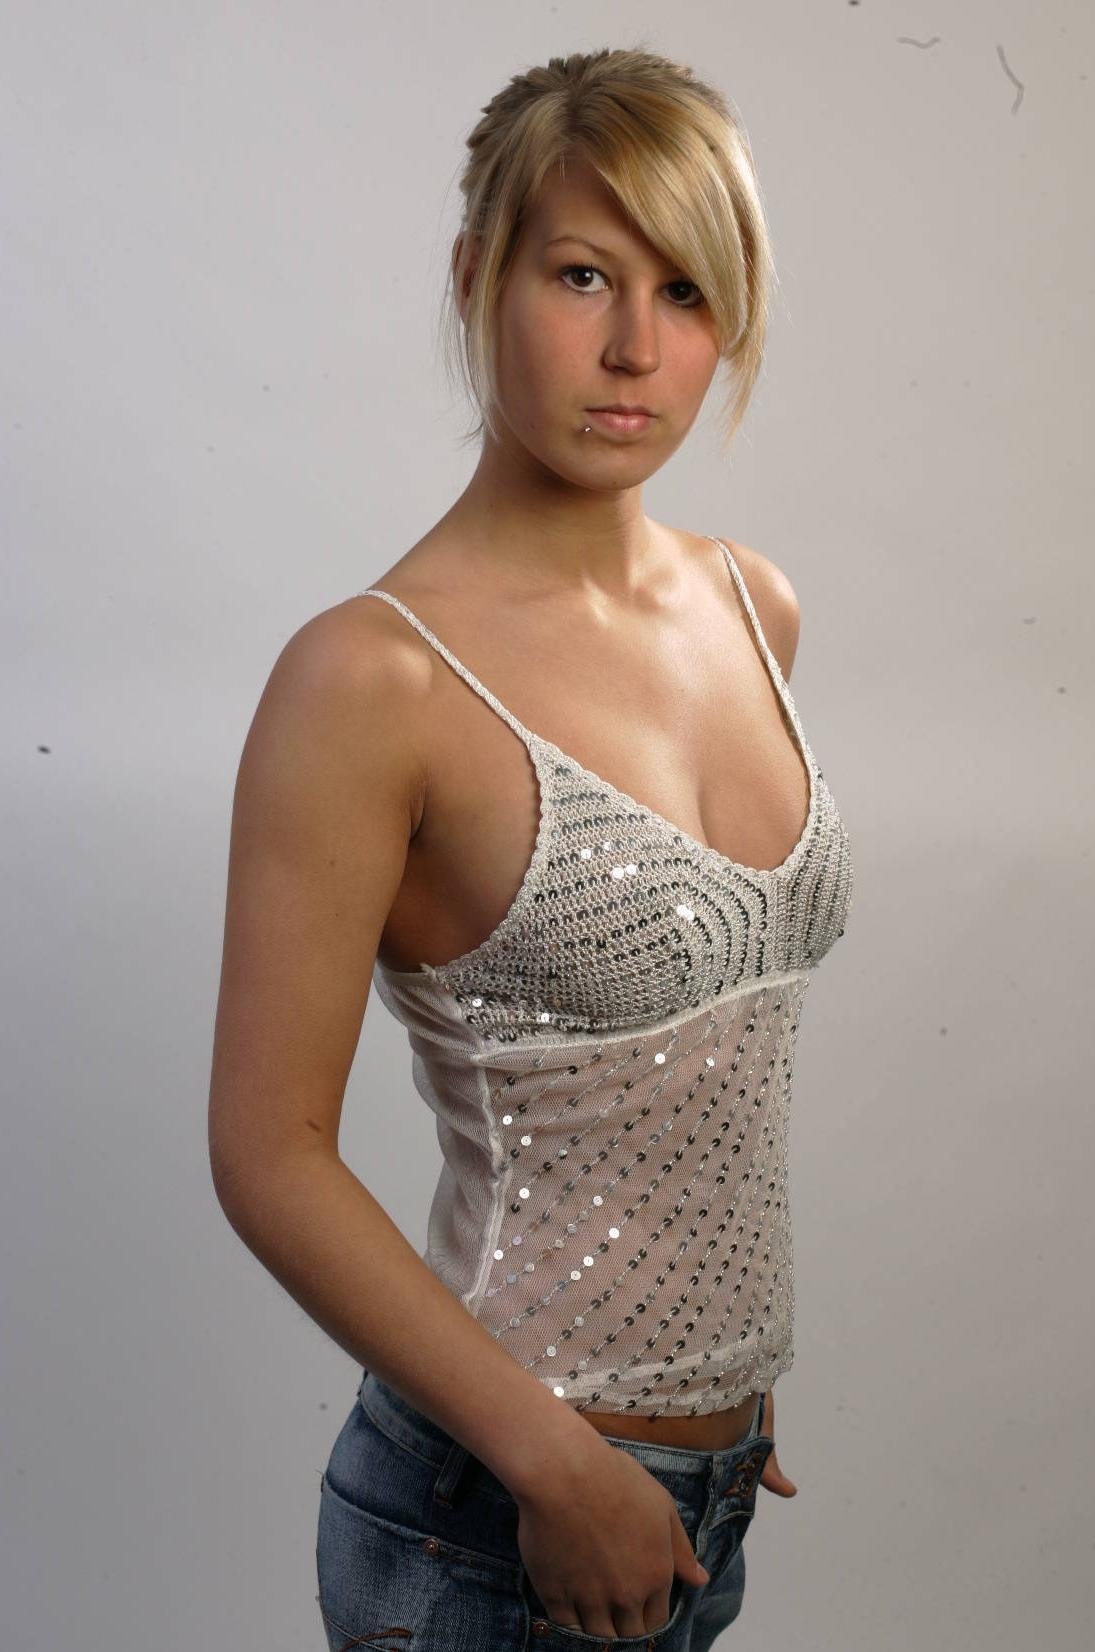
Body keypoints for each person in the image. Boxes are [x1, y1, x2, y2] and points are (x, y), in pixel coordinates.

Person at [208, 46, 854, 1651]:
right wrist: (561, 1465)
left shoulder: (754, 607)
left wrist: (709, 1400)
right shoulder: (373, 679)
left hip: (697, 1506)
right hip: (491, 1517)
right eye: (581, 277)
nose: (636, 347)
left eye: (686, 291)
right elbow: (268, 1152)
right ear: (475, 274)